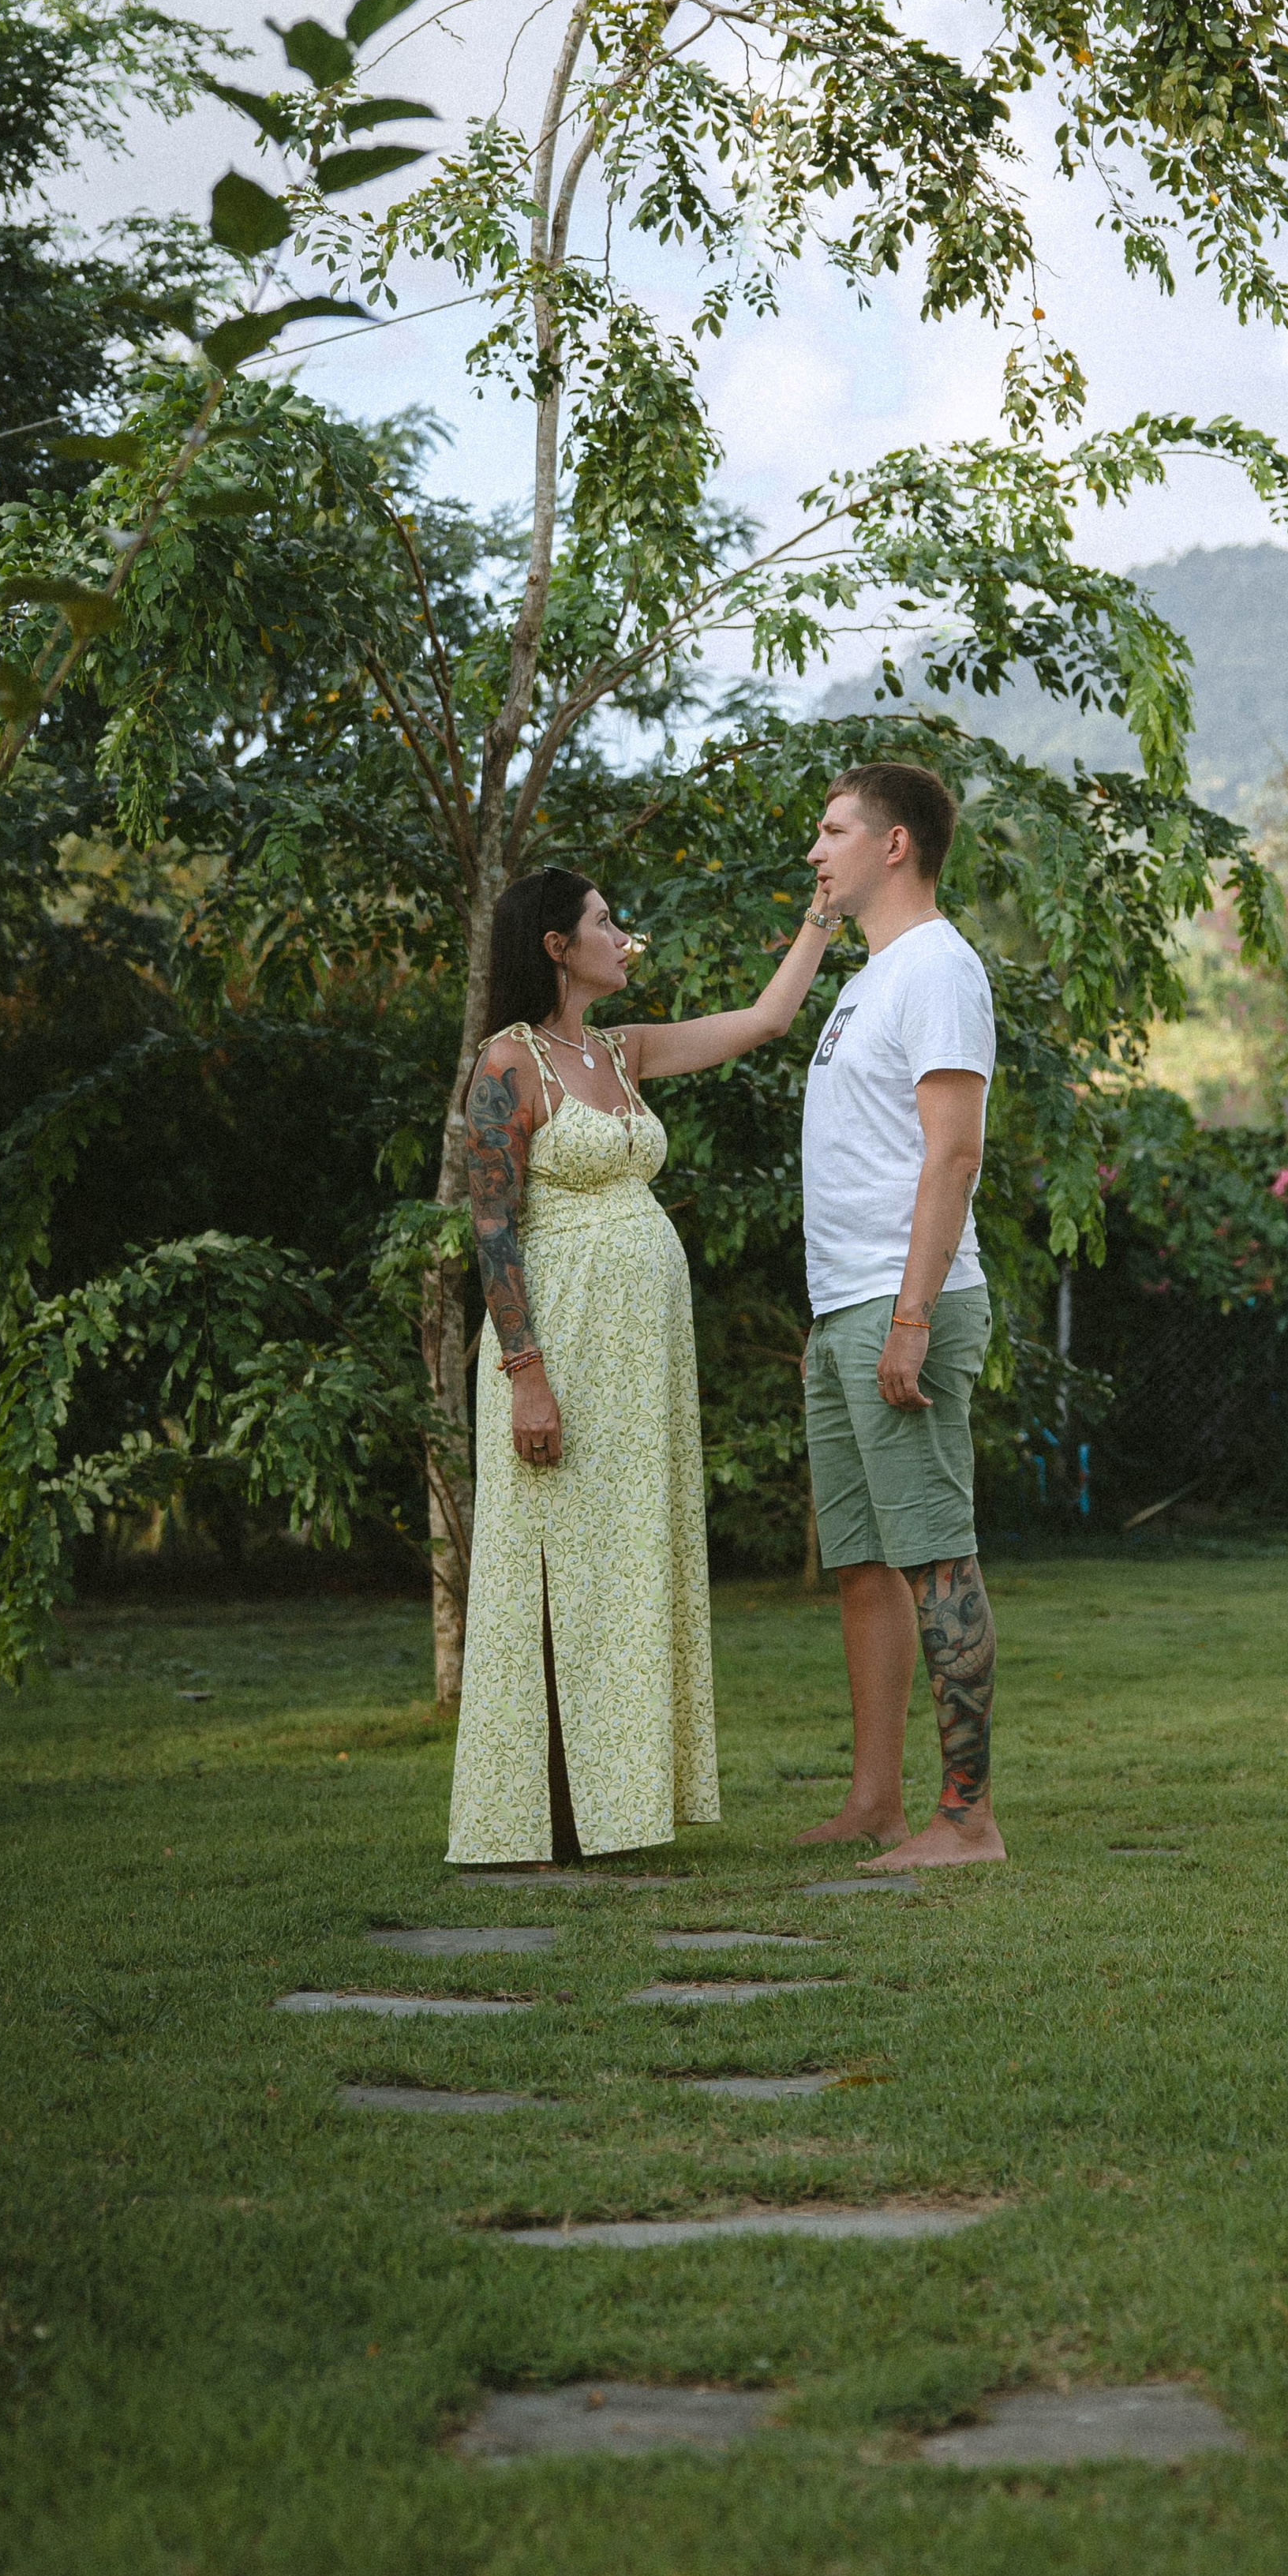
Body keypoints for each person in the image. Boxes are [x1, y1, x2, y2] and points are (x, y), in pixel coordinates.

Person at [447, 868, 836, 1867]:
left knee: (623, 1565)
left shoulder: (621, 1053)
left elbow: (763, 1020)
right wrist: (526, 1373)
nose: (625, 937)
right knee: (548, 1562)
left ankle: (615, 1807)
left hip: (640, 1364)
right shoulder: (508, 1062)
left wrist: (820, 921)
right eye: (605, 922)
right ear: (553, 944)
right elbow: (490, 1224)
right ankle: (535, 1815)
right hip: (558, 1346)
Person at [795, 762, 1007, 1870]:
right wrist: (840, 1315)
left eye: (831, 831)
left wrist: (911, 1314)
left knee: (934, 1556)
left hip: (902, 1300)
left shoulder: (937, 967)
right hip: (849, 1304)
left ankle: (966, 1822)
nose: (815, 850)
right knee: (865, 1562)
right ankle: (877, 1802)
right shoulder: (867, 977)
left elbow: (953, 1151)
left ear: (892, 845)